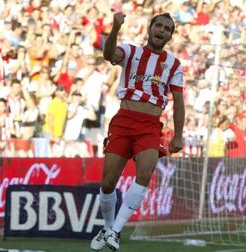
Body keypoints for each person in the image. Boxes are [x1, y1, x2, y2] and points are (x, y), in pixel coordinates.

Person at [90, 12, 185, 251]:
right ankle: (108, 229)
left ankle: (116, 232)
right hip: (124, 121)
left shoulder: (173, 64)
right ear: (150, 29)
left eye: (166, 28)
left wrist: (179, 134)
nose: (161, 30)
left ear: (169, 36)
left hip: (150, 125)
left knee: (145, 173)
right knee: (108, 182)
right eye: (158, 26)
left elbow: (179, 101)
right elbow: (109, 55)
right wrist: (114, 28)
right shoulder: (131, 52)